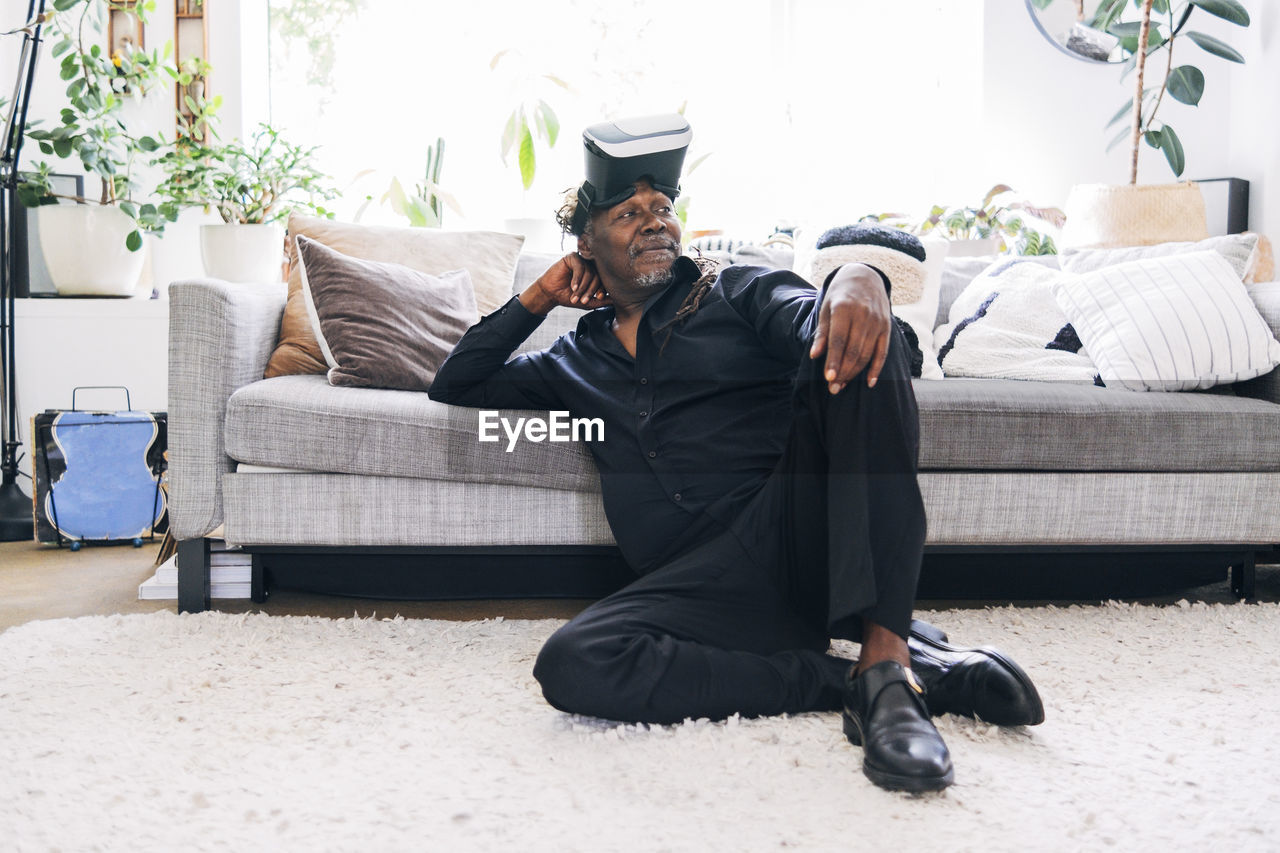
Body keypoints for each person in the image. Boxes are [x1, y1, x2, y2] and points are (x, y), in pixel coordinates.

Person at [429, 115, 1042, 793]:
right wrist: (541, 295)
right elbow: (458, 380)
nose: (655, 220)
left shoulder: (734, 289)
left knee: (865, 345)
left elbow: (823, 320)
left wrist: (861, 279)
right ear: (585, 244)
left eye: (663, 208)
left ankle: (887, 660)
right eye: (630, 212)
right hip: (698, 587)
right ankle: (852, 677)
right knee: (573, 663)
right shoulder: (572, 358)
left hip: (791, 532)